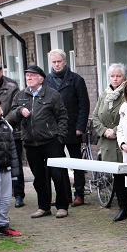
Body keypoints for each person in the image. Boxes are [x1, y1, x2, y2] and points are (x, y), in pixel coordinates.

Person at [7, 65, 72, 219]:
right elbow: (10, 117)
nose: (28, 78)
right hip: (30, 143)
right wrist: (19, 111)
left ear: (41, 79)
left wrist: (60, 138)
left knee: (58, 175)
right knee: (39, 177)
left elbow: (62, 117)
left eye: (32, 75)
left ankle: (62, 206)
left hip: (51, 142)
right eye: (27, 75)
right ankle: (43, 206)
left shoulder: (52, 95)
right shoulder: (20, 96)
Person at [45, 49, 90, 207]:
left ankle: (79, 194)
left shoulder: (76, 80)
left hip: (72, 128)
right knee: (58, 164)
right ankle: (64, 196)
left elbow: (84, 104)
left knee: (76, 162)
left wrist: (80, 126)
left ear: (65, 61)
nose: (56, 65)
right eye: (54, 62)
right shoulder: (46, 81)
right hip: (53, 130)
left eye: (59, 61)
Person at [0, 55, 25, 208]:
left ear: (1, 71)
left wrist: (4, 122)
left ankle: (19, 194)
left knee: (15, 163)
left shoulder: (12, 85)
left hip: (11, 130)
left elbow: (16, 107)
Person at [92, 63, 127, 221]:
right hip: (108, 142)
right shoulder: (104, 95)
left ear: (124, 78)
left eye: (118, 76)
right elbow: (95, 117)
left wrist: (115, 130)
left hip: (123, 140)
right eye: (112, 76)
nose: (115, 79)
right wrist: (104, 131)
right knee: (117, 177)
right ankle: (123, 207)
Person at [0, 95, 21, 238]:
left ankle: (3, 224)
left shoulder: (6, 125)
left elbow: (12, 148)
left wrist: (15, 170)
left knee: (6, 199)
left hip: (6, 168)